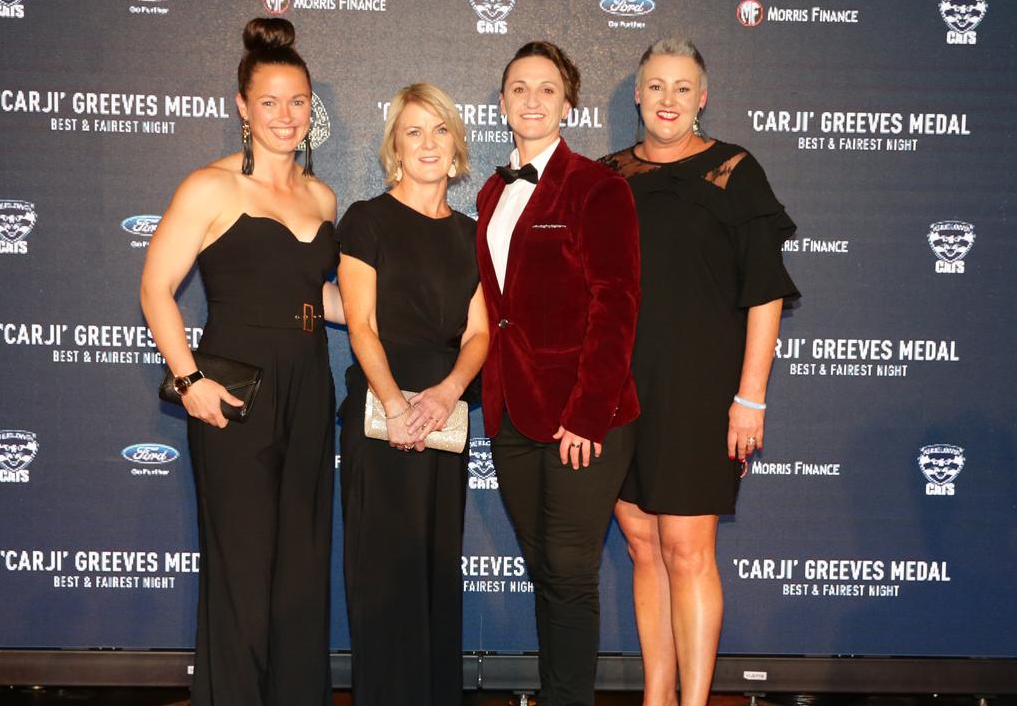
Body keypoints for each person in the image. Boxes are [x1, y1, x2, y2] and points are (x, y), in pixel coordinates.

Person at [139, 17, 340, 706]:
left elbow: (326, 298)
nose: (287, 117)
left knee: (303, 567)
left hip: (311, 383)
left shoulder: (321, 197)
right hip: (237, 389)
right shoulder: (210, 188)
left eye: (299, 102)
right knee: (243, 568)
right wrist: (189, 378)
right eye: (271, 103)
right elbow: (155, 288)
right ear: (242, 108)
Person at [598, 37, 800, 706]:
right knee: (642, 546)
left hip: (699, 388)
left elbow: (765, 292)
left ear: (702, 97)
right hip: (621, 387)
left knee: (687, 549)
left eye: (682, 88)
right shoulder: (608, 176)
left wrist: (752, 398)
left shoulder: (736, 170)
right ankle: (658, 694)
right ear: (636, 93)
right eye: (655, 86)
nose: (667, 101)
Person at [476, 41, 641, 706]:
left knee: (570, 575)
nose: (533, 100)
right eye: (520, 87)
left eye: (548, 89)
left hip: (581, 414)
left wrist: (588, 410)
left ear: (568, 103)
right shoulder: (492, 190)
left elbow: (616, 304)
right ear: (503, 102)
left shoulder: (599, 188)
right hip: (512, 413)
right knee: (546, 572)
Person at [336, 83, 488, 706]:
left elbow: (479, 333)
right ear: (394, 147)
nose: (428, 143)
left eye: (440, 130)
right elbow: (361, 324)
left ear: (456, 147)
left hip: (445, 418)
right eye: (413, 131)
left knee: (433, 569)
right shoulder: (366, 220)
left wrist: (448, 394)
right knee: (383, 574)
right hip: (381, 417)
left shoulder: (472, 234)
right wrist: (398, 406)